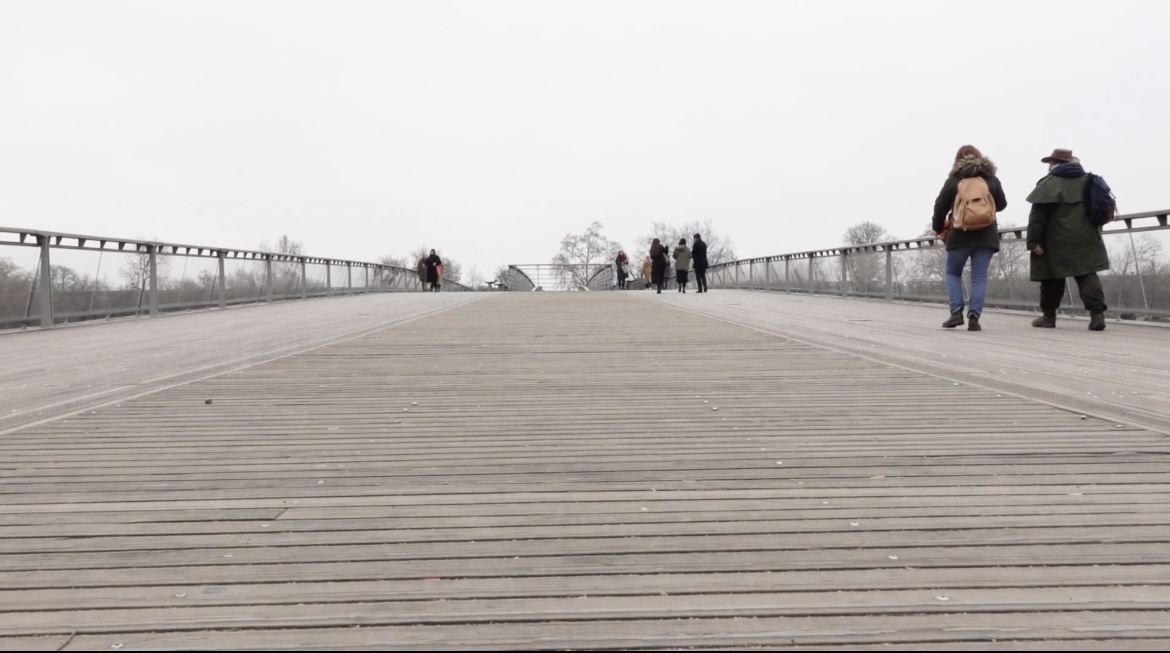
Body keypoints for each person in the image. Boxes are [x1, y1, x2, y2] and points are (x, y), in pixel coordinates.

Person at [1026, 148, 1111, 330]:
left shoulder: (1048, 184)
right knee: (1087, 274)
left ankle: (1049, 317)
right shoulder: (1089, 181)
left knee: (1051, 277)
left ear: (1054, 163)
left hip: (1055, 239)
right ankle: (1097, 314)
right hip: (1086, 237)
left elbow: (1037, 218)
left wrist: (1033, 242)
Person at [931, 145, 1008, 332]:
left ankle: (956, 312)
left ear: (958, 160)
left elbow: (940, 206)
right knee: (979, 278)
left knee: (953, 273)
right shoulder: (991, 179)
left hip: (960, 234)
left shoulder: (953, 181)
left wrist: (938, 228)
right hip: (986, 235)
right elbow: (1002, 205)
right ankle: (974, 317)